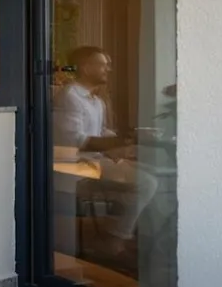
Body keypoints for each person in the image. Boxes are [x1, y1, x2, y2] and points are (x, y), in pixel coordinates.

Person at [53, 45, 158, 253]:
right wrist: (120, 143)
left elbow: (100, 132)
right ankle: (116, 238)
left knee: (156, 173)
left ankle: (125, 227)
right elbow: (75, 140)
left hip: (96, 161)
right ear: (86, 68)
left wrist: (129, 139)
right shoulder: (70, 96)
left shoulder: (96, 101)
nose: (108, 69)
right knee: (147, 183)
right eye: (103, 65)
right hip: (78, 166)